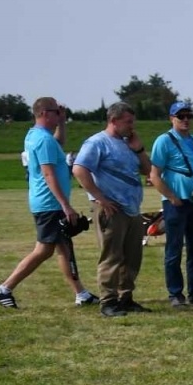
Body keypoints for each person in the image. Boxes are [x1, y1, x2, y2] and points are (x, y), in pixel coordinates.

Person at [0, 97, 99, 309]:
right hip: (50, 204)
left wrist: (62, 123)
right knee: (44, 250)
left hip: (45, 201)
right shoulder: (43, 140)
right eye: (56, 112)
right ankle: (4, 289)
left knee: (64, 248)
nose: (59, 115)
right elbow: (48, 173)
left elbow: (58, 144)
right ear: (43, 113)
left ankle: (81, 294)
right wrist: (65, 205)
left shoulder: (36, 135)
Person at [72, 102, 153, 317]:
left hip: (132, 209)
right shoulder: (97, 142)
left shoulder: (128, 143)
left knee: (132, 257)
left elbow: (148, 170)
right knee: (111, 256)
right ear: (113, 120)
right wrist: (100, 198)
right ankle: (108, 301)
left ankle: (126, 298)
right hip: (111, 209)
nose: (131, 126)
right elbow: (79, 169)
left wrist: (139, 149)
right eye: (128, 122)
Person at [148, 101, 193, 308]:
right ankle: (175, 293)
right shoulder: (164, 141)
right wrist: (171, 197)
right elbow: (155, 175)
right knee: (174, 249)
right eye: (181, 116)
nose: (186, 120)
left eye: (189, 116)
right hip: (177, 202)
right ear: (172, 119)